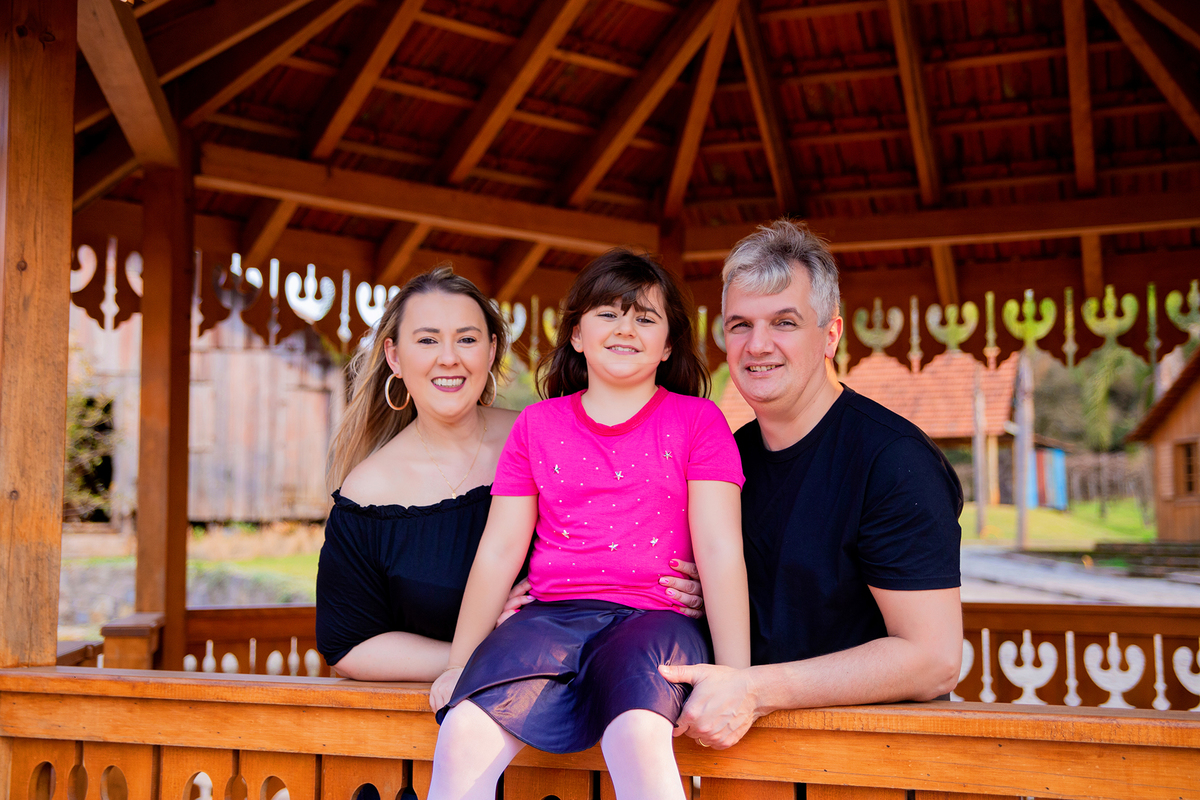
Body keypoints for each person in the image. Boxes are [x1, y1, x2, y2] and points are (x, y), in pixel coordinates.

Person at [425, 250, 749, 800]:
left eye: (645, 318)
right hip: (550, 618)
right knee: (462, 730)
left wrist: (737, 676)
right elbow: (501, 548)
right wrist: (459, 665)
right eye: (607, 313)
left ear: (668, 345)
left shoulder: (698, 422)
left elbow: (720, 549)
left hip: (655, 617)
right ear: (576, 333)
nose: (626, 328)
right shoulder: (538, 424)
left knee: (637, 734)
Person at [315, 266, 709, 681]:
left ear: (491, 351)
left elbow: (641, 527)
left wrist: (690, 586)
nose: (449, 357)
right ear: (395, 356)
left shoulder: (545, 437)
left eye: (467, 339)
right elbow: (348, 645)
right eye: (428, 340)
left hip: (610, 679)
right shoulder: (368, 492)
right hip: (461, 708)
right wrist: (487, 654)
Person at [659, 219, 964, 748]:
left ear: (831, 334)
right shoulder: (728, 458)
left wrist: (754, 688)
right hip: (750, 763)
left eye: (784, 322)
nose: (757, 345)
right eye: (739, 325)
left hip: (870, 761)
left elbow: (933, 659)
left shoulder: (893, 461)